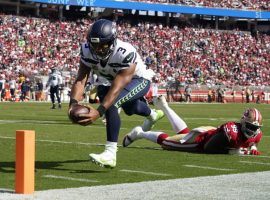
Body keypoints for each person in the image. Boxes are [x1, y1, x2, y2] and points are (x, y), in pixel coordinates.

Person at [68, 19, 164, 168]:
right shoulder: (86, 49)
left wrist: (99, 112)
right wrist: (72, 104)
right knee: (130, 109)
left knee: (112, 103)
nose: (98, 49)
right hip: (109, 80)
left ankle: (110, 153)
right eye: (95, 45)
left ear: (112, 41)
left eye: (103, 45)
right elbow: (81, 79)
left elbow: (118, 86)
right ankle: (152, 114)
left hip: (138, 80)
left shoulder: (125, 52)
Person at [123, 96, 263, 155]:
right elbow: (208, 148)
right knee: (168, 143)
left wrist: (253, 146)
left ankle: (164, 106)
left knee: (184, 134)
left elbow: (250, 141)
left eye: (255, 128)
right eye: (250, 126)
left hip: (209, 131)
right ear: (243, 122)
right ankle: (139, 133)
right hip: (200, 141)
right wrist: (232, 151)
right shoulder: (231, 133)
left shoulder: (256, 135)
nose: (252, 131)